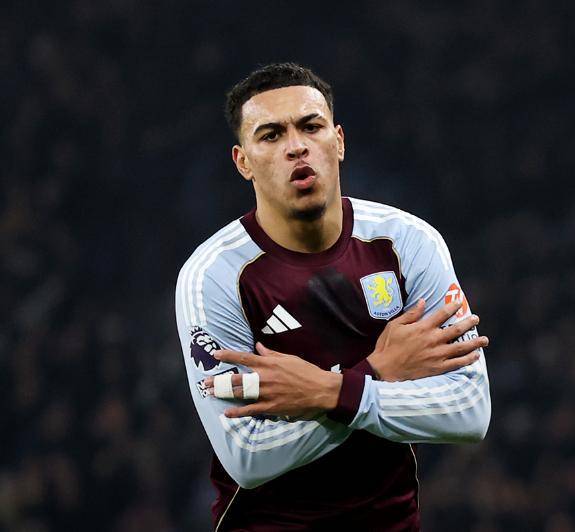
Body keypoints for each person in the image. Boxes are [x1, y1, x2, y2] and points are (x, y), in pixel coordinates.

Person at [175, 62, 491, 531]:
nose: (296, 146)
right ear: (243, 162)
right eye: (271, 135)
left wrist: (326, 391)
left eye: (311, 126)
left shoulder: (407, 243)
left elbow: (468, 410)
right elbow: (247, 454)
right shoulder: (214, 276)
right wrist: (377, 372)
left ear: (338, 141)